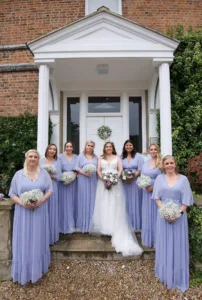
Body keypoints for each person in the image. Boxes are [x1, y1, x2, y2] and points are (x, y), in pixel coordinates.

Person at [9, 149, 53, 285]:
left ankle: (37, 270)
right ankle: (23, 272)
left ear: (38, 159)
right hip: (23, 213)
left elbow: (50, 190)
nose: (33, 159)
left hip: (39, 211)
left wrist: (40, 201)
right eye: (30, 156)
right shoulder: (18, 175)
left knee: (38, 238)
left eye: (35, 157)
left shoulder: (44, 174)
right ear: (26, 158)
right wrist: (23, 203)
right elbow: (12, 193)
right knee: (24, 239)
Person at [92, 141, 143, 257]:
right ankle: (105, 226)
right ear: (104, 148)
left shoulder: (118, 158)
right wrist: (104, 180)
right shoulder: (100, 159)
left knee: (115, 204)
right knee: (104, 203)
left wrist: (114, 179)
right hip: (103, 184)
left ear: (113, 148)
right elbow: (98, 171)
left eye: (110, 146)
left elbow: (120, 170)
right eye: (107, 146)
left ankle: (114, 226)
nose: (108, 148)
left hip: (116, 184)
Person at [152, 155, 194, 292]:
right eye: (167, 163)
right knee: (164, 243)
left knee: (178, 244)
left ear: (175, 164)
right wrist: (164, 211)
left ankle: (177, 276)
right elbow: (157, 198)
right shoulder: (159, 179)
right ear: (163, 165)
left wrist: (177, 214)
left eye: (171, 163)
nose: (169, 165)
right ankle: (165, 274)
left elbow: (186, 201)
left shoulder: (183, 180)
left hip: (179, 218)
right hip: (163, 217)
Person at [141, 144, 162, 247]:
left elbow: (163, 179)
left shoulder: (161, 163)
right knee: (147, 215)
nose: (153, 151)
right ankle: (148, 240)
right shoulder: (145, 163)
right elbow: (142, 175)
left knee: (155, 215)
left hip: (157, 192)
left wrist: (153, 188)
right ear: (149, 151)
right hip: (146, 192)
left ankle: (156, 241)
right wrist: (143, 184)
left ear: (158, 150)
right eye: (151, 149)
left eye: (155, 149)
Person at [75, 140, 98, 232]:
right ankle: (83, 224)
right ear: (85, 146)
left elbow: (98, 168)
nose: (90, 147)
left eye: (92, 146)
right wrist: (84, 173)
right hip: (83, 180)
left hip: (93, 180)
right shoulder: (80, 156)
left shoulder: (96, 157)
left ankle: (91, 224)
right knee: (83, 199)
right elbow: (76, 167)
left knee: (92, 200)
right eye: (88, 145)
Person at [40, 144, 61, 244]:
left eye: (54, 149)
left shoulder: (57, 162)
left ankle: (51, 237)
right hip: (41, 187)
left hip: (53, 187)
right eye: (50, 149)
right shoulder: (41, 161)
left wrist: (52, 176)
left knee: (52, 210)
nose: (52, 151)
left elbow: (60, 177)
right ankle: (42, 237)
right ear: (47, 150)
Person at [121, 140, 144, 230]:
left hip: (135, 182)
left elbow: (140, 169)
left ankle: (136, 224)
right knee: (125, 202)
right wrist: (125, 178)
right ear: (124, 146)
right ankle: (126, 224)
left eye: (130, 145)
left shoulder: (139, 157)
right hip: (124, 182)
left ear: (133, 146)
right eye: (127, 145)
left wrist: (132, 177)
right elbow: (119, 168)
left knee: (135, 201)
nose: (128, 146)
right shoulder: (121, 156)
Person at [58, 141, 77, 234]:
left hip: (74, 183)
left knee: (73, 202)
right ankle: (63, 224)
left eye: (71, 146)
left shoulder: (76, 157)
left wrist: (72, 177)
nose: (69, 148)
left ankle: (73, 223)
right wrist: (64, 179)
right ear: (65, 147)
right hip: (63, 184)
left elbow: (77, 169)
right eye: (67, 146)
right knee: (64, 203)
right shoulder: (60, 157)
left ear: (73, 148)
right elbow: (58, 170)